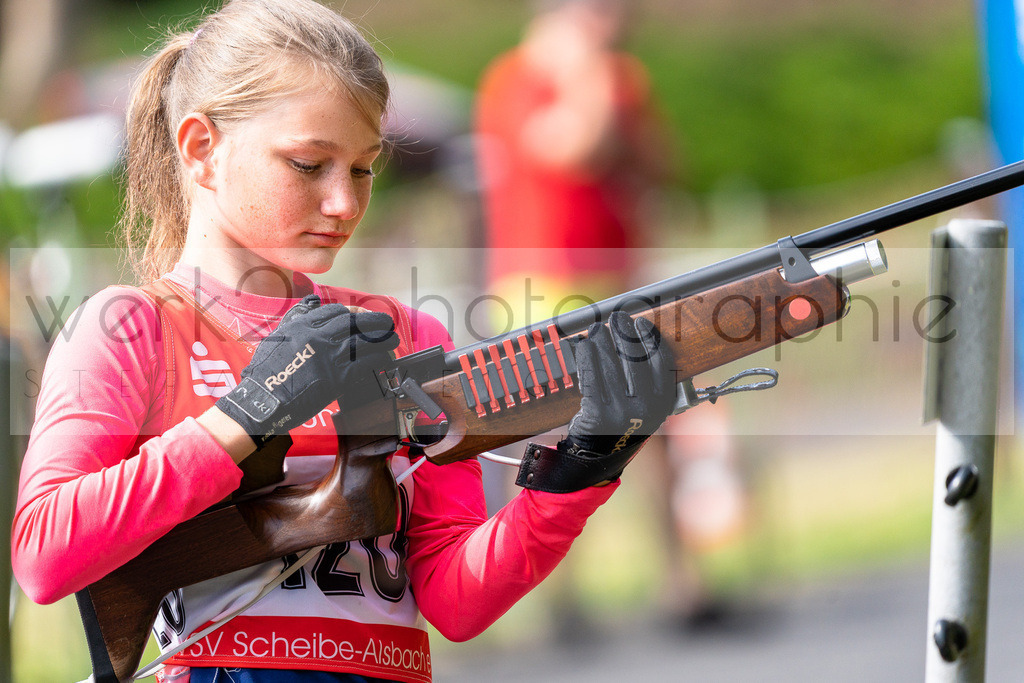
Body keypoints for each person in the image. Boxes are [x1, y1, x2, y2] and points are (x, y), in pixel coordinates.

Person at [9, 1, 678, 682]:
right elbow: (43, 553)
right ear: (200, 148)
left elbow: (454, 599)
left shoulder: (408, 333)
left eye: (361, 169)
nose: (344, 203)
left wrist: (574, 478)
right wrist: (247, 412)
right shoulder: (129, 327)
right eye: (308, 165)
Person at [474, 0, 747, 635]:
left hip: (617, 278)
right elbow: (573, 147)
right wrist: (591, 72)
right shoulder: (516, 77)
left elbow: (663, 166)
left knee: (656, 432)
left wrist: (611, 95)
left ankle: (681, 583)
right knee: (557, 440)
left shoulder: (620, 78)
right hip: (541, 284)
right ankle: (553, 596)